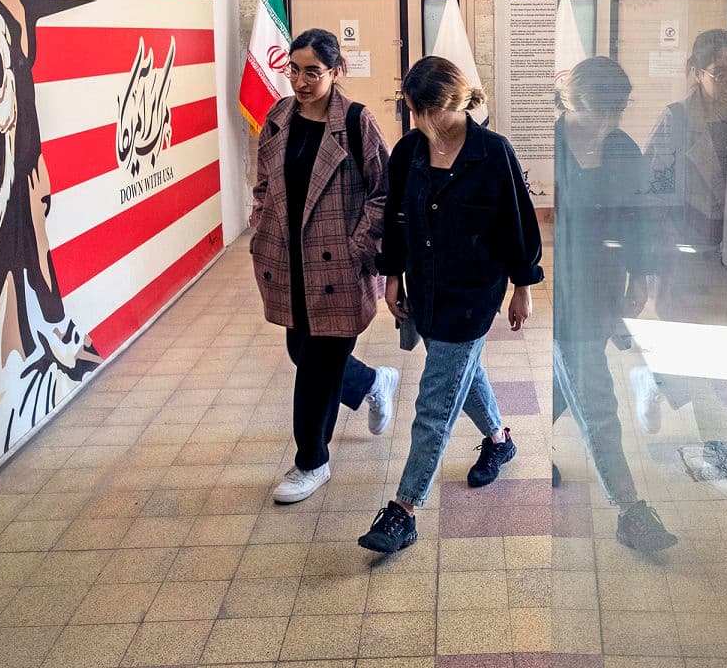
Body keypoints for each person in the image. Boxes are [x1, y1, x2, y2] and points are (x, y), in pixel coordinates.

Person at [358, 57, 544, 553]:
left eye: (431, 111)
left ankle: (404, 510)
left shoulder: (493, 152)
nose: (424, 123)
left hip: (475, 293)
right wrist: (392, 277)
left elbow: (518, 224)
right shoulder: (409, 152)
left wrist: (523, 286)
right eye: (416, 112)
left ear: (457, 101)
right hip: (426, 288)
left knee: (435, 399)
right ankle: (500, 442)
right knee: (463, 369)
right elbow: (395, 222)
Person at [250, 28, 399, 504]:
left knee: (314, 370)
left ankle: (310, 462)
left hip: (338, 266)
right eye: (293, 70)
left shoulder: (356, 122)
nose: (301, 81)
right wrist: (260, 223)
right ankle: (374, 382)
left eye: (313, 71)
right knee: (302, 351)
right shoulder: (278, 117)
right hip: (288, 262)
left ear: (336, 72)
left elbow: (384, 190)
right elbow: (262, 183)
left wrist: (360, 243)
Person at [634, 29, 727, 496]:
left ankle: (669, 391)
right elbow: (650, 192)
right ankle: (718, 446)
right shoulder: (675, 121)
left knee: (720, 355)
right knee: (706, 355)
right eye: (723, 72)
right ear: (696, 71)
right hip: (687, 259)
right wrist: (657, 255)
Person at [551, 57, 678, 550]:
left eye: (617, 109)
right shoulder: (546, 147)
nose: (608, 120)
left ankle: (505, 440)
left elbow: (640, 217)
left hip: (601, 284)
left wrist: (640, 279)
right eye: (600, 108)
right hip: (555, 286)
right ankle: (630, 510)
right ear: (573, 100)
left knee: (573, 376)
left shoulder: (624, 148)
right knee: (596, 396)